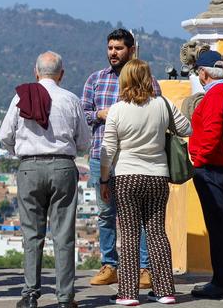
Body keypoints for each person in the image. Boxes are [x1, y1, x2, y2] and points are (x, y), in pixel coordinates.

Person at [0, 52, 91, 308]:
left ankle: (29, 294)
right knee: (63, 235)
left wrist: (19, 152)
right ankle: (65, 298)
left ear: (36, 72)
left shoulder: (21, 96)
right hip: (63, 167)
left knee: (32, 233)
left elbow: (6, 135)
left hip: (29, 168)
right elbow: (84, 141)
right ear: (61, 74)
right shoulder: (71, 99)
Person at [100, 60, 191, 306]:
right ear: (148, 78)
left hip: (127, 177)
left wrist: (104, 179)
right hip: (158, 176)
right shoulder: (162, 104)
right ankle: (165, 291)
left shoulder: (118, 109)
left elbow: (108, 149)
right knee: (157, 233)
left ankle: (128, 294)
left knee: (129, 234)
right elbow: (187, 128)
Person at [81, 29, 161, 288]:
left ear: (131, 50)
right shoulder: (95, 80)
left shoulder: (146, 80)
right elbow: (83, 115)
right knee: (106, 213)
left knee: (138, 215)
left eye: (118, 48)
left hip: (134, 157)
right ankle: (110, 265)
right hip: (100, 155)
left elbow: (158, 111)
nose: (113, 53)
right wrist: (100, 115)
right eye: (110, 48)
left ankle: (144, 268)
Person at [188, 50, 223, 300]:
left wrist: (199, 160)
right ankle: (222, 279)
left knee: (217, 225)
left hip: (212, 168)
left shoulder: (215, 95)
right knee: (220, 224)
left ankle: (221, 282)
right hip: (222, 166)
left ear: (203, 73)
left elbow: (213, 131)